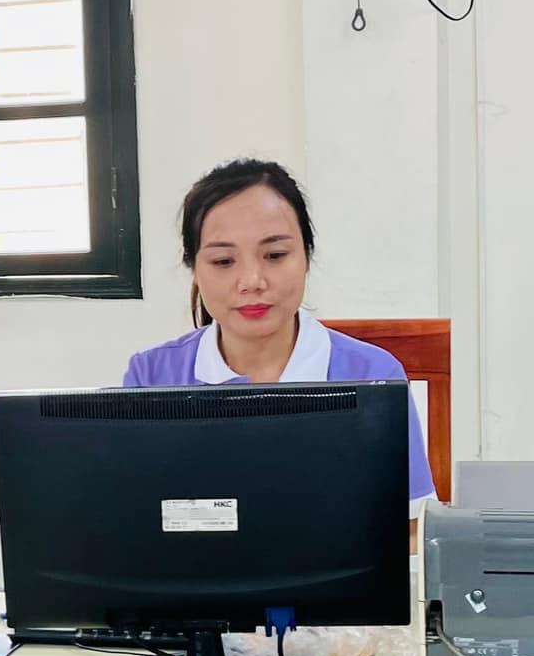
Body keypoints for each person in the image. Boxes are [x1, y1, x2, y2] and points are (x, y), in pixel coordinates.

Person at [124, 159, 436, 524]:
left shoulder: (373, 375)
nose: (252, 281)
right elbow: (134, 520)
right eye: (223, 261)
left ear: (307, 256)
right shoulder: (151, 377)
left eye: (275, 256)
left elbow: (411, 528)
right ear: (195, 269)